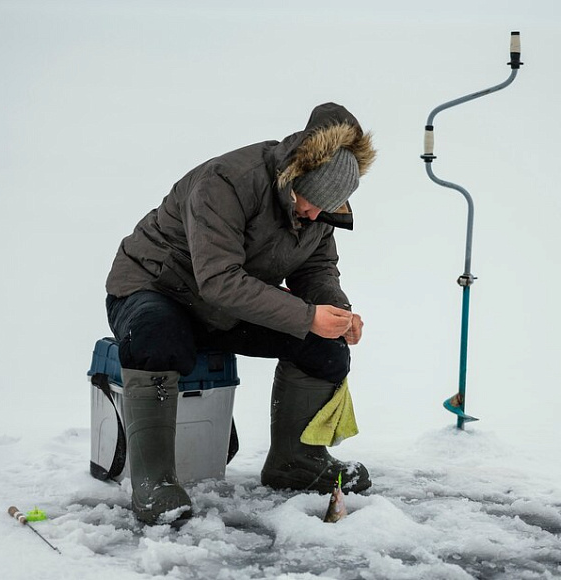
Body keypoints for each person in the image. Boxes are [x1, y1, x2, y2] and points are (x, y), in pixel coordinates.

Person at [104, 102, 376, 525]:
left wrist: (336, 313)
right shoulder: (228, 182)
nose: (315, 215)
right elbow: (218, 280)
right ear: (294, 177)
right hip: (156, 290)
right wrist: (306, 315)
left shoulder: (318, 210)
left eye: (327, 209)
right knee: (159, 339)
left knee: (325, 346)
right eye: (311, 203)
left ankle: (295, 461)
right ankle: (153, 480)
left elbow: (316, 268)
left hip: (227, 309)